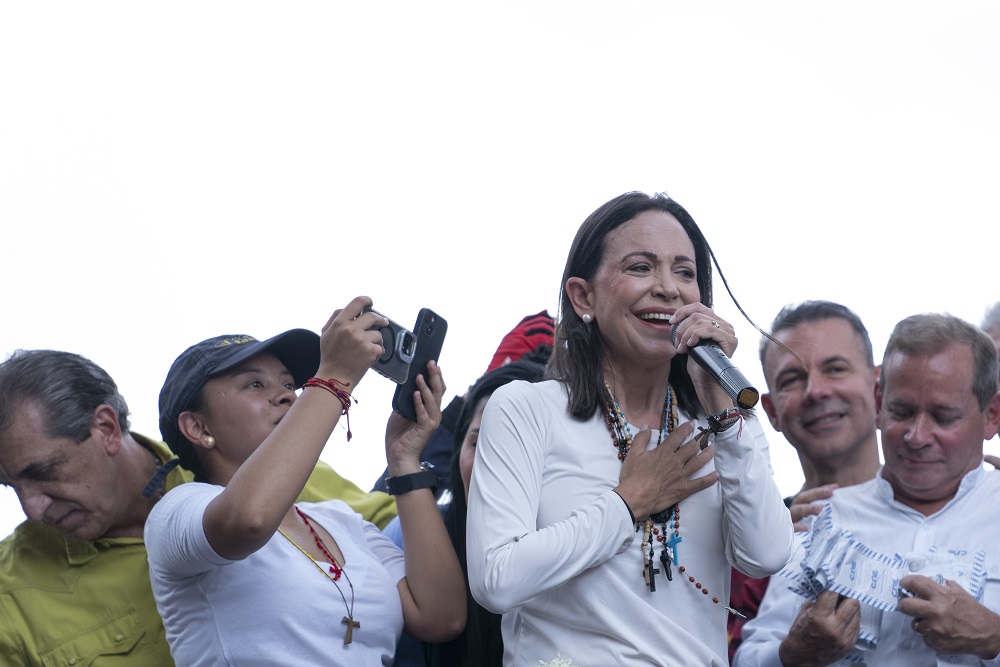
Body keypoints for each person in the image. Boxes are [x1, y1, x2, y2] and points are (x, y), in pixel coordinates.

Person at [466, 191, 794, 666]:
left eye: (685, 272)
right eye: (641, 267)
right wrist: (628, 503)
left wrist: (726, 416)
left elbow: (765, 554)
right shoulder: (525, 409)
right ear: (584, 297)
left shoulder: (723, 427)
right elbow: (496, 579)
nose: (667, 288)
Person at [0, 348, 395, 666]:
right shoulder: (10, 599)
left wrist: (411, 464)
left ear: (105, 428)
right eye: (11, 486)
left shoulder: (257, 458)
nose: (32, 508)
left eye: (45, 472)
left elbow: (391, 533)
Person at [146, 297, 466, 665]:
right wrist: (333, 378)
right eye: (254, 384)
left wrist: (404, 460)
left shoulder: (343, 523)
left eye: (288, 384)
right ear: (198, 428)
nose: (287, 395)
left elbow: (443, 617)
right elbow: (249, 519)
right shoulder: (175, 513)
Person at [734, 312, 1000, 666]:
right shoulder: (821, 521)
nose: (917, 436)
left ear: (992, 415)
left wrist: (994, 635)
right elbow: (748, 656)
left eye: (943, 416)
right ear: (878, 403)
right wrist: (794, 654)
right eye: (901, 411)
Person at [727, 300, 882, 660]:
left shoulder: (966, 507)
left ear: (878, 386)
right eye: (793, 379)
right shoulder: (745, 553)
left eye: (836, 369)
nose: (816, 391)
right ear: (771, 411)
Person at [425, 350, 550, 667]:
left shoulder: (601, 545)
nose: (493, 462)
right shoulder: (422, 536)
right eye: (480, 441)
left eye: (514, 444)